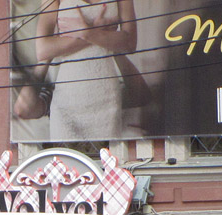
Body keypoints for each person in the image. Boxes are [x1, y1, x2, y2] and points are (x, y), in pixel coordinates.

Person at [14, 0, 137, 141]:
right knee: (67, 159)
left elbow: (130, 43)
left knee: (105, 157)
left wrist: (88, 34)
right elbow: (43, 49)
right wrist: (93, 32)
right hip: (68, 97)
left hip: (106, 96)